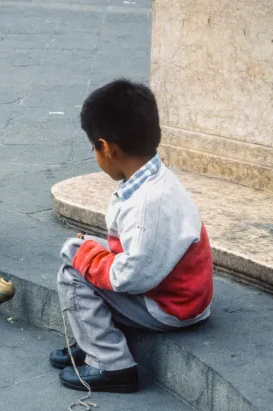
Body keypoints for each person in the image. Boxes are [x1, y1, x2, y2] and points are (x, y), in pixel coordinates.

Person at [50, 79, 213, 393]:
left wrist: (84, 257)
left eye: (94, 147)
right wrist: (90, 251)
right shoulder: (153, 179)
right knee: (84, 251)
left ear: (107, 148)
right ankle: (90, 338)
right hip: (175, 288)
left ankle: (112, 364)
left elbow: (131, 277)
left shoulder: (148, 204)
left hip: (171, 307)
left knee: (72, 271)